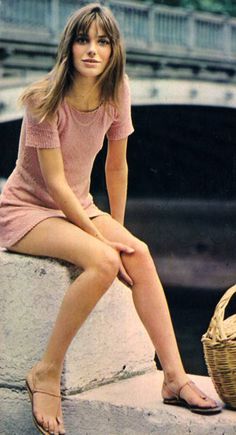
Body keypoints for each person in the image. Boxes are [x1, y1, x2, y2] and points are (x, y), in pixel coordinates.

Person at [0, 3, 221, 434]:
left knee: (137, 252)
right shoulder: (43, 100)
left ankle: (173, 376)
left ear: (113, 50)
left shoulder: (117, 90)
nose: (92, 50)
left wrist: (116, 228)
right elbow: (56, 184)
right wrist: (101, 241)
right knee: (103, 262)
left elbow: (115, 167)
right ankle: (46, 371)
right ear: (69, 46)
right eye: (83, 40)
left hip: (79, 206)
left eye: (102, 41)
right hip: (27, 210)